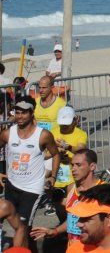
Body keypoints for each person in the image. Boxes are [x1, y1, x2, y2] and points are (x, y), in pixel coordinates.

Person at [30, 148, 105, 249]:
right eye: (72, 165)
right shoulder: (71, 188)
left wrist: (104, 239)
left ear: (92, 166)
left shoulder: (103, 189)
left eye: (78, 165)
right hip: (72, 248)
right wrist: (55, 231)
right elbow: (72, 219)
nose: (73, 169)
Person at [2, 95, 59, 229]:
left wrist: (53, 176)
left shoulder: (43, 135)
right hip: (12, 186)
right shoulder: (7, 134)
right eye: (17, 112)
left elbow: (56, 154)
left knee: (23, 227)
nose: (20, 116)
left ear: (32, 113)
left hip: (32, 188)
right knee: (16, 227)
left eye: (24, 113)